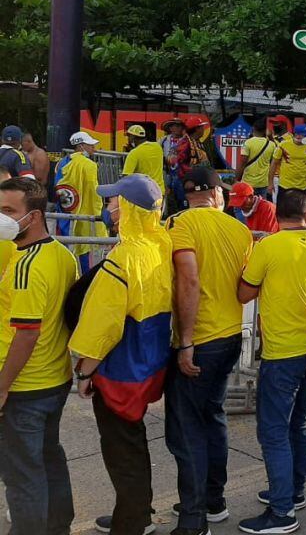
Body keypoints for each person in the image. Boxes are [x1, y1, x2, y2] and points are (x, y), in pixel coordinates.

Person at [70, 175, 173, 535]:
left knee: (121, 451)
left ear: (128, 209)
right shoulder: (161, 243)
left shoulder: (122, 259)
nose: (109, 208)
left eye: (114, 202)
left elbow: (102, 327)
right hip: (149, 365)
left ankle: (131, 524)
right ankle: (135, 512)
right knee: (133, 442)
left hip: (119, 370)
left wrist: (84, 373)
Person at [236, 190, 306, 534]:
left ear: (278, 217)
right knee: (300, 422)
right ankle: (292, 493)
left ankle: (282, 512)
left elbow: (244, 293)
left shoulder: (268, 247)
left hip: (283, 354)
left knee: (274, 431)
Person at [165, 167, 253, 534]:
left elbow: (188, 279)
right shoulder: (241, 229)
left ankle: (193, 518)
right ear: (218, 194)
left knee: (187, 430)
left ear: (188, 195)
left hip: (197, 339)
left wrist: (185, 341)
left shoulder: (178, 224)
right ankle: (213, 500)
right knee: (213, 415)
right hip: (231, 335)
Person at [0, 177, 78, 535]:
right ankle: (58, 525)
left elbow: (26, 334)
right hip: (54, 380)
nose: (1, 218)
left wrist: (2, 387)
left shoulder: (26, 266)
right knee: (48, 457)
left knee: (22, 474)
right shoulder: (61, 253)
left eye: (7, 211)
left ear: (32, 217)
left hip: (25, 386)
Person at [54, 131, 105, 272]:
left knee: (64, 244)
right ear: (81, 146)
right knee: (84, 246)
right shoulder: (89, 165)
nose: (94, 149)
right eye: (91, 145)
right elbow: (94, 193)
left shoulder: (61, 163)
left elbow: (58, 187)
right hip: (83, 211)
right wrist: (98, 214)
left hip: (64, 210)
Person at [269, 124, 306, 199]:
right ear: (296, 135)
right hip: (284, 186)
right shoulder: (283, 145)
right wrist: (270, 183)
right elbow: (274, 163)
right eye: (304, 135)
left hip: (302, 187)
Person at [236, 117, 278, 199]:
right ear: (265, 130)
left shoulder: (247, 143)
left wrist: (237, 179)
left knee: (246, 205)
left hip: (248, 182)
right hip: (263, 183)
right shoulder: (271, 144)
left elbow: (242, 163)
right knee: (261, 206)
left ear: (253, 129)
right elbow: (273, 162)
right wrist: (270, 136)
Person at [121, 125, 166, 193]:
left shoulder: (134, 153)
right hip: (159, 191)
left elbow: (126, 177)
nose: (128, 139)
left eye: (129, 136)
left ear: (133, 137)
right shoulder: (157, 147)